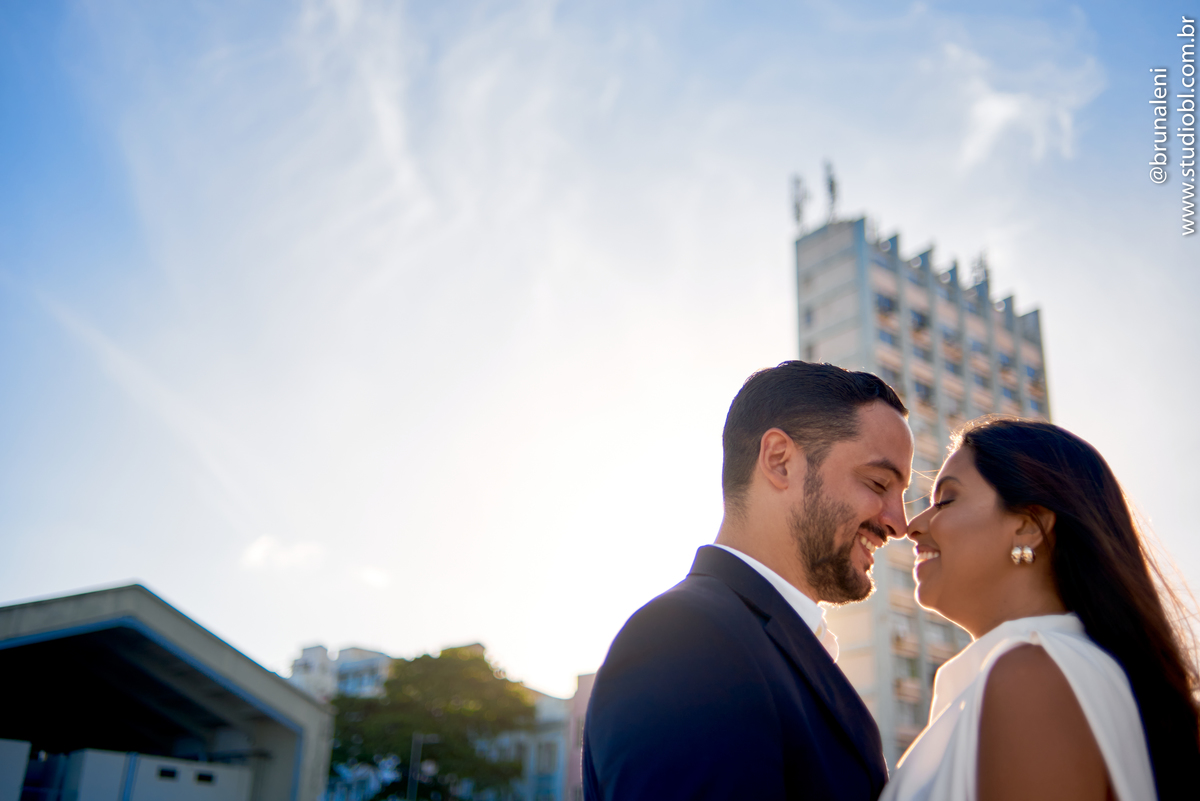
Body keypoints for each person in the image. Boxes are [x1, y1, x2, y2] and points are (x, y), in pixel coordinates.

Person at [583, 360, 915, 801]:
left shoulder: (766, 644)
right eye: (878, 483)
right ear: (780, 461)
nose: (899, 524)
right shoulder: (685, 639)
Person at [885, 417, 1200, 801]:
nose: (912, 526)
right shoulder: (1050, 671)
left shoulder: (1032, 676)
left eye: (946, 500)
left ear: (1028, 527)